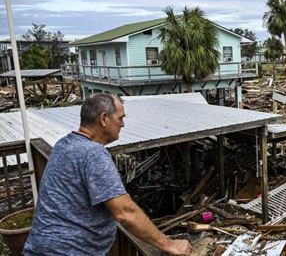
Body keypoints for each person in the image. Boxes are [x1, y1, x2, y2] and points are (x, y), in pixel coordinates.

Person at [24, 93, 191, 256]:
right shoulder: (93, 154)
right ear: (104, 119)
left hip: (40, 246)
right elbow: (125, 212)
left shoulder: (64, 144)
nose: (123, 124)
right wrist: (169, 245)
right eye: (120, 118)